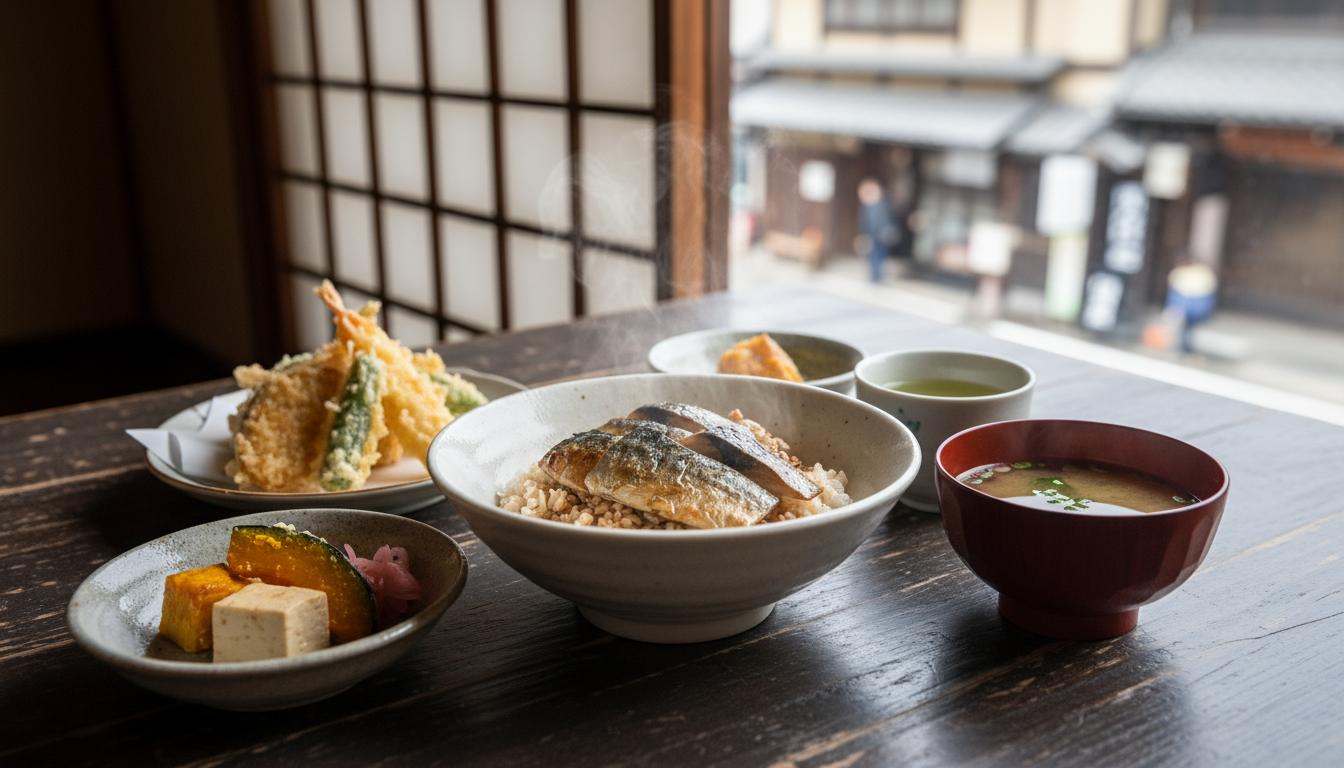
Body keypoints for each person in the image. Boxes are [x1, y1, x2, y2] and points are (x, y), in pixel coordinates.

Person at [1165, 260, 1218, 354]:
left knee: (1186, 328)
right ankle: (1184, 348)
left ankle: (1184, 348)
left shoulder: (1182, 273)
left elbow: (1176, 294)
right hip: (1196, 307)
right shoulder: (1202, 272)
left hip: (1188, 307)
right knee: (1186, 329)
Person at [857, 179, 898, 283]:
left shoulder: (882, 203)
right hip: (873, 234)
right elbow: (865, 221)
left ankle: (878, 276)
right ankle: (874, 275)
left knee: (880, 255)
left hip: (880, 234)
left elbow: (885, 219)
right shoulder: (868, 205)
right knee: (874, 255)